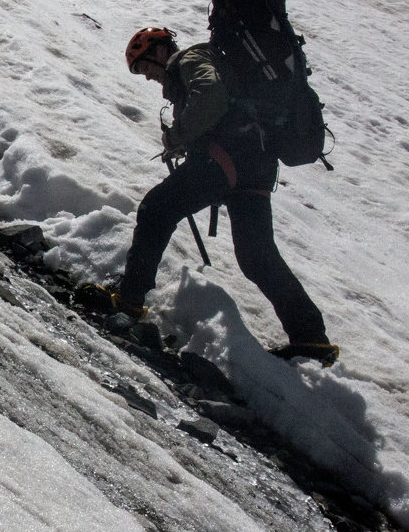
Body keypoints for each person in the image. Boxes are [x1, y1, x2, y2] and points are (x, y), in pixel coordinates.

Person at [79, 27, 338, 366]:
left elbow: (211, 97)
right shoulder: (207, 61)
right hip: (255, 164)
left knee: (156, 208)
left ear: (158, 51)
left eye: (144, 68)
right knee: (256, 255)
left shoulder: (191, 58)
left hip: (227, 159)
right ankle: (310, 337)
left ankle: (129, 300)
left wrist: (179, 135)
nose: (148, 78)